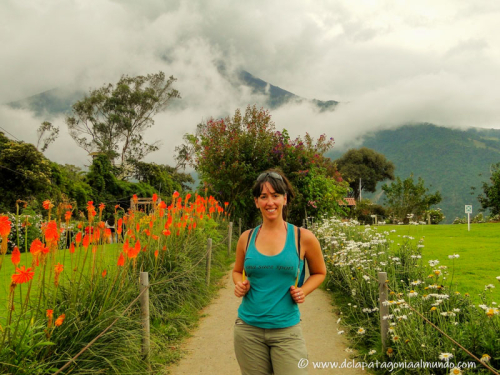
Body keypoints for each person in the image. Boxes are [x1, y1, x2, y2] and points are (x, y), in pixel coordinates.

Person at [233, 170, 327, 375]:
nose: (270, 202)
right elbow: (237, 271)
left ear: (285, 199)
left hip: (287, 330)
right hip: (248, 330)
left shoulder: (304, 237)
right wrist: (238, 285)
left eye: (275, 195)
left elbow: (320, 272)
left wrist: (304, 291)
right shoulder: (246, 238)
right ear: (256, 202)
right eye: (263, 196)